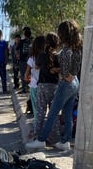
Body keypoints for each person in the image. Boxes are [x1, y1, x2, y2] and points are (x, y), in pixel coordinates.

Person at [27, 20, 82, 151]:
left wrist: (62, 74)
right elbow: (74, 71)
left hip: (66, 84)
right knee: (67, 114)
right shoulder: (76, 48)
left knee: (52, 113)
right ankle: (65, 141)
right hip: (75, 84)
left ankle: (41, 140)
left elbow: (66, 74)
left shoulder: (65, 51)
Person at [34, 32, 61, 139]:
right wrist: (55, 70)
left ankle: (38, 135)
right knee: (53, 112)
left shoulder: (41, 55)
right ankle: (54, 136)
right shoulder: (58, 57)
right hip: (54, 86)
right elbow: (62, 69)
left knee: (40, 112)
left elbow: (36, 67)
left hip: (42, 86)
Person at [24, 35, 45, 136]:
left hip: (34, 86)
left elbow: (26, 74)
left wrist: (27, 77)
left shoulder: (32, 58)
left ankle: (37, 129)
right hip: (46, 86)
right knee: (45, 108)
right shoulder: (48, 57)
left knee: (37, 109)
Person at [16, 26, 32, 93]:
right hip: (31, 61)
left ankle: (24, 89)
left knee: (23, 74)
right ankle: (29, 88)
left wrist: (18, 56)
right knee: (30, 74)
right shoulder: (32, 41)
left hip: (23, 61)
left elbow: (17, 50)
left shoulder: (21, 41)